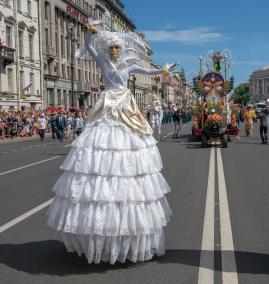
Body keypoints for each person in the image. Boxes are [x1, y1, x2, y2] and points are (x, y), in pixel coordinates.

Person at [46, 20, 176, 264]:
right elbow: (88, 46)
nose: (115, 51)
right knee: (99, 152)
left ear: (122, 50)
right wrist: (88, 31)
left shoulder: (128, 65)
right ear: (108, 49)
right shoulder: (102, 60)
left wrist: (164, 71)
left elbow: (148, 72)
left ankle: (124, 236)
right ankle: (97, 235)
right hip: (107, 106)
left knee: (128, 154)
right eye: (112, 47)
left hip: (125, 107)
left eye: (118, 47)